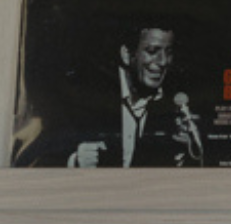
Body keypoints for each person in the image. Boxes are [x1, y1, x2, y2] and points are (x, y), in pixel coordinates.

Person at [63, 24, 206, 167]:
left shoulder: (173, 103)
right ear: (126, 54)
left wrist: (185, 157)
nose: (163, 61)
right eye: (152, 51)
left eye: (168, 52)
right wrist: (74, 161)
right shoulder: (88, 92)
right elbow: (44, 154)